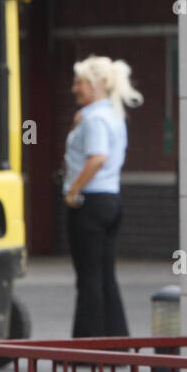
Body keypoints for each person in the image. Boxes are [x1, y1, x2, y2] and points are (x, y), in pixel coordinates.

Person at [63, 55, 143, 337]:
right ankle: (116, 339)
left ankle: (87, 344)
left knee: (89, 278)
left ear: (96, 85)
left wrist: (74, 189)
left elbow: (97, 157)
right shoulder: (112, 115)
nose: (74, 88)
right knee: (106, 276)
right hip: (110, 199)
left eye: (80, 82)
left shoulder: (94, 119)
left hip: (90, 202)